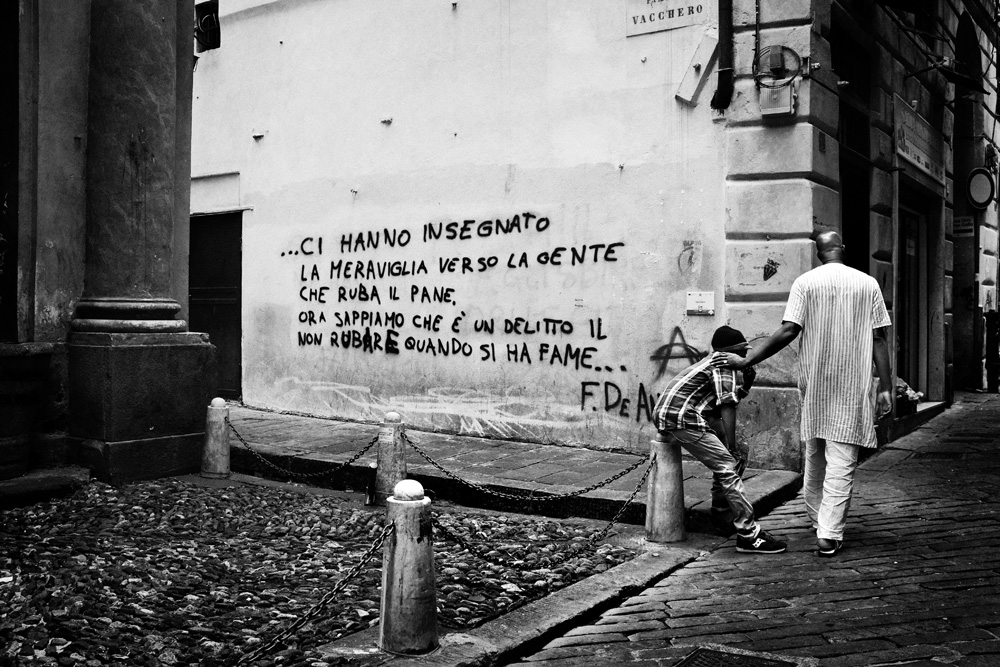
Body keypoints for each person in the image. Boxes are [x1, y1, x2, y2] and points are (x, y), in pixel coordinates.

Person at [713, 231, 892, 558]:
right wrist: (887, 387)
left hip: (816, 385)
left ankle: (816, 515)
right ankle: (829, 532)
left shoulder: (805, 283)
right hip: (851, 385)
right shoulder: (868, 284)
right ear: (842, 248)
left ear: (818, 253)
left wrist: (749, 360)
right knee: (841, 459)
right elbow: (878, 338)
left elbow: (788, 330)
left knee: (816, 453)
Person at [653, 325, 787, 554]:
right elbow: (727, 406)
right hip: (680, 418)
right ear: (731, 351)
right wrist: (729, 446)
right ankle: (749, 535)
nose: (745, 354)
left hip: (684, 414)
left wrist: (747, 381)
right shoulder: (724, 364)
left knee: (739, 452)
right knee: (727, 464)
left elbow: (722, 400)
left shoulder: (715, 362)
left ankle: (722, 509)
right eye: (742, 350)